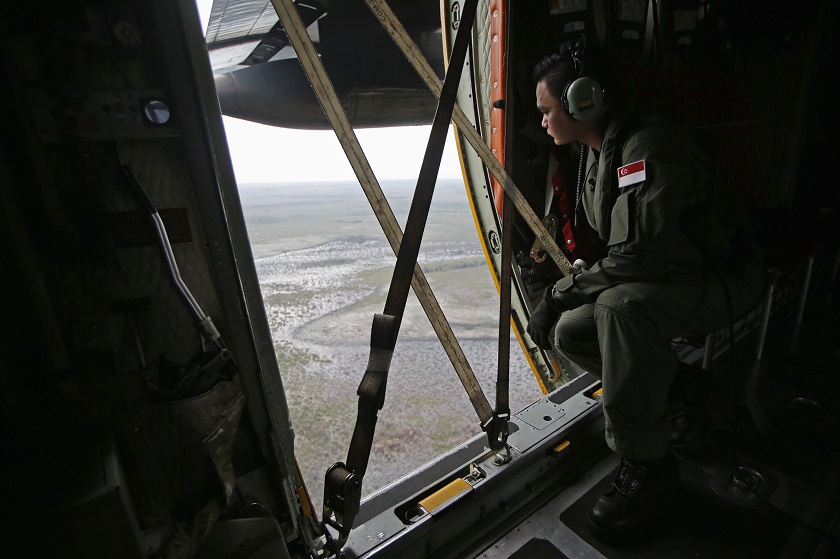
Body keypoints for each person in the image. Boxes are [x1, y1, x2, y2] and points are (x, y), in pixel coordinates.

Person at [526, 36, 765, 545]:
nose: (544, 121)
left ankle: (649, 465)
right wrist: (567, 300)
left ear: (583, 99)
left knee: (617, 309)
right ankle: (686, 392)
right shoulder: (598, 152)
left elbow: (636, 255)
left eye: (549, 110)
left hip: (724, 280)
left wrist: (555, 295)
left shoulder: (647, 145)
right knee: (573, 332)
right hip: (674, 274)